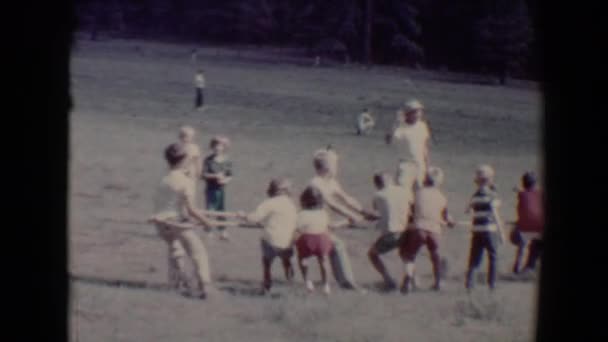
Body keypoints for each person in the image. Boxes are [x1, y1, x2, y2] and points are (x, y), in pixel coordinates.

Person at [149, 143, 226, 299]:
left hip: (160, 223)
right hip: (175, 222)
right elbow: (191, 209)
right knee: (198, 253)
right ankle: (206, 288)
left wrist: (192, 217)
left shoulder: (164, 179)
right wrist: (206, 222)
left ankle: (176, 284)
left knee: (175, 250)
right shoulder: (186, 181)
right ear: (184, 161)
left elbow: (172, 203)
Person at [309, 149, 375, 292]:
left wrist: (363, 211)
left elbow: (346, 198)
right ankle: (347, 283)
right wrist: (353, 217)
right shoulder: (316, 183)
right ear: (327, 167)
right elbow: (332, 204)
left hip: (324, 223)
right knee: (338, 245)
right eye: (335, 164)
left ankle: (343, 281)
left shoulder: (332, 182)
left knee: (336, 246)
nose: (337, 167)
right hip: (315, 222)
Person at [399, 167, 455, 294]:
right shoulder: (441, 197)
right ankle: (438, 282)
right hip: (434, 230)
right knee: (435, 256)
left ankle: (408, 277)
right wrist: (451, 222)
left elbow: (410, 211)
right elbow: (446, 216)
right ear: (439, 182)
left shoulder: (417, 194)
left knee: (410, 255)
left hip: (419, 228)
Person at [238, 178, 298, 293]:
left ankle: (266, 285)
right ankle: (291, 282)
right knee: (287, 261)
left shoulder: (269, 203)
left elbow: (254, 218)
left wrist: (243, 216)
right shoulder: (291, 205)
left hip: (271, 241)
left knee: (267, 262)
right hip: (288, 241)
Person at [367, 172, 412, 290]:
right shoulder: (404, 191)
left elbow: (377, 213)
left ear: (377, 184)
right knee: (406, 255)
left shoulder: (378, 195)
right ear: (391, 180)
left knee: (372, 254)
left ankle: (388, 279)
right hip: (407, 231)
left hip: (391, 234)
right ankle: (409, 276)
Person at [464, 164, 505, 291]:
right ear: (490, 179)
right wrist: (501, 231)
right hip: (490, 230)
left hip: (477, 231)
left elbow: (467, 210)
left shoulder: (475, 196)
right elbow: (495, 214)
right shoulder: (492, 195)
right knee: (493, 257)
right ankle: (492, 284)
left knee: (474, 259)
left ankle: (470, 284)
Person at [294, 186, 335, 295]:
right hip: (321, 239)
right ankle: (326, 285)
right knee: (324, 260)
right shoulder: (323, 213)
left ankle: (307, 281)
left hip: (307, 240)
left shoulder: (301, 214)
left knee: (302, 258)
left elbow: (297, 229)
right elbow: (327, 227)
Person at [386, 99, 431, 188]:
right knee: (402, 191)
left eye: (419, 111)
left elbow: (424, 147)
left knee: (420, 191)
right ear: (407, 113)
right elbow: (388, 140)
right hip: (406, 164)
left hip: (420, 164)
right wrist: (396, 124)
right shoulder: (400, 127)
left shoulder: (422, 126)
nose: (418, 114)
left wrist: (427, 167)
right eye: (415, 112)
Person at [510, 172, 544, 275]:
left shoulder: (522, 194)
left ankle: (519, 268)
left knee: (522, 243)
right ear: (535, 183)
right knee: (536, 244)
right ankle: (529, 267)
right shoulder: (540, 193)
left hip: (523, 229)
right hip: (539, 228)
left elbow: (521, 192)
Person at [202, 135, 233, 240]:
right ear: (212, 147)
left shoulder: (227, 161)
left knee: (221, 210)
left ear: (224, 147)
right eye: (215, 146)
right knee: (210, 210)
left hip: (221, 189)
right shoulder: (208, 160)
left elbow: (230, 175)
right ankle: (209, 231)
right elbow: (203, 175)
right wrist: (215, 176)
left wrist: (226, 180)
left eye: (220, 146)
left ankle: (222, 231)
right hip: (211, 189)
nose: (217, 148)